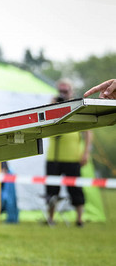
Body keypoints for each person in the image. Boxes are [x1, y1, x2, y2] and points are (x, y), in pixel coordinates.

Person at [46, 79, 92, 227]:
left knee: (76, 189)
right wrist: (51, 106)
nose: (62, 94)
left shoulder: (77, 106)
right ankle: (50, 219)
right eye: (60, 91)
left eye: (65, 91)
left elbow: (88, 132)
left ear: (71, 92)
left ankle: (79, 220)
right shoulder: (53, 106)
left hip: (72, 157)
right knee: (51, 189)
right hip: (53, 156)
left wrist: (86, 152)